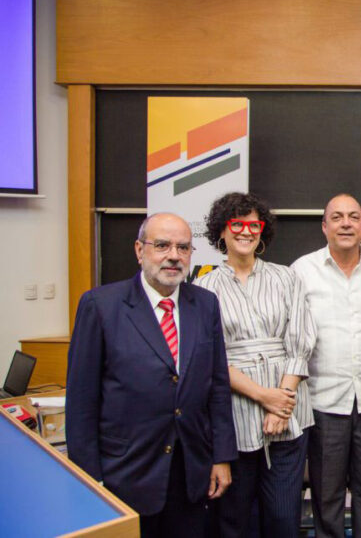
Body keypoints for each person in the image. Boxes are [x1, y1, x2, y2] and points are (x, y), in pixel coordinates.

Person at [66, 213, 237, 538]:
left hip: (189, 472)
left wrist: (221, 456)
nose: (174, 255)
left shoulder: (205, 304)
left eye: (183, 247)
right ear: (139, 250)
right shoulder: (101, 306)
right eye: (162, 245)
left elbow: (217, 386)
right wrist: (89, 480)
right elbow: (81, 401)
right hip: (124, 474)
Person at [195, 192, 316, 537]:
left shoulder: (286, 278)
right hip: (234, 414)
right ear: (221, 231)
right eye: (237, 224)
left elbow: (302, 340)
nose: (246, 231)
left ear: (262, 231)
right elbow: (210, 357)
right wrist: (264, 397)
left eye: (253, 224)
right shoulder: (204, 288)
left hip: (289, 412)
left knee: (282, 517)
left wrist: (280, 404)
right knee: (236, 520)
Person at [291, 193, 361, 538]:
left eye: (353, 216)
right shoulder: (301, 271)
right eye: (337, 217)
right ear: (324, 227)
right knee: (326, 499)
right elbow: (292, 335)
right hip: (323, 402)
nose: (346, 223)